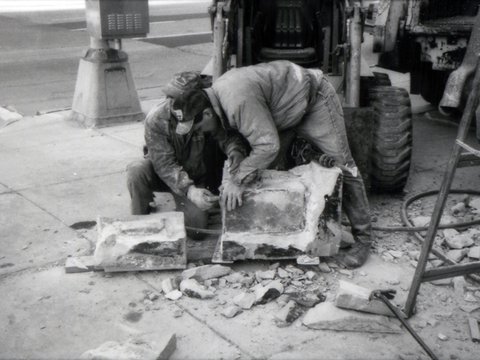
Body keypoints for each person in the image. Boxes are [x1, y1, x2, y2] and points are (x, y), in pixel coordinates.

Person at [174, 60, 372, 267]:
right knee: (269, 175)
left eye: (196, 128)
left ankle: (363, 239)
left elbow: (268, 145)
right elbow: (224, 135)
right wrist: (238, 157)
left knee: (344, 166)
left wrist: (238, 180)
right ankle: (289, 236)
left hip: (314, 100)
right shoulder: (213, 101)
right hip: (282, 111)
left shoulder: (237, 101)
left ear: (206, 114)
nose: (198, 133)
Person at [126, 72, 247, 239]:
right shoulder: (157, 119)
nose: (173, 103)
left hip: (197, 176)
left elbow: (227, 137)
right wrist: (189, 191)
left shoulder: (207, 112)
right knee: (136, 171)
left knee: (196, 231)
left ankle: (187, 205)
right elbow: (164, 164)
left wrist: (235, 152)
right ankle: (138, 223)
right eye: (171, 98)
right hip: (166, 173)